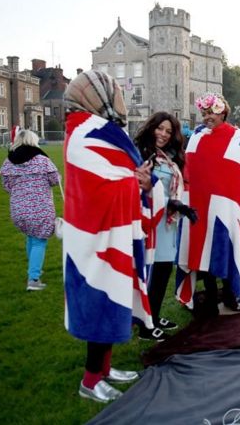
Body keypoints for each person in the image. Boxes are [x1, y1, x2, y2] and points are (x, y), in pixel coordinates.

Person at [63, 70, 165, 403]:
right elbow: (100, 184)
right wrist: (137, 180)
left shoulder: (93, 131)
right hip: (95, 236)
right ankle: (90, 382)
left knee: (112, 298)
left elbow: (122, 176)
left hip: (112, 230)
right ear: (98, 98)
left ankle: (104, 370)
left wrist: (141, 182)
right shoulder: (83, 133)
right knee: (99, 300)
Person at [176, 93, 240, 318]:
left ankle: (230, 295)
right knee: (203, 254)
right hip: (200, 205)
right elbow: (190, 169)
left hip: (227, 206)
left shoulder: (237, 136)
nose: (208, 117)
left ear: (223, 112)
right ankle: (209, 297)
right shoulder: (196, 137)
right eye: (205, 113)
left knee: (226, 251)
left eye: (212, 113)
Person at [133, 111, 197, 341]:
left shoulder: (168, 157)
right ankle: (145, 327)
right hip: (150, 222)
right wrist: (175, 204)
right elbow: (141, 190)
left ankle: (154, 316)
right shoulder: (142, 154)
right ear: (151, 127)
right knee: (151, 274)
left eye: (169, 131)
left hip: (167, 222)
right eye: (160, 128)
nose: (163, 134)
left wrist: (178, 206)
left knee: (162, 274)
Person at [0, 129, 60, 291]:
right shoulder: (42, 161)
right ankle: (33, 279)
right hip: (40, 208)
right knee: (39, 241)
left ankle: (35, 268)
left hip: (19, 209)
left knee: (31, 238)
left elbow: (6, 185)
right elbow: (54, 180)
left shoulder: (8, 162)